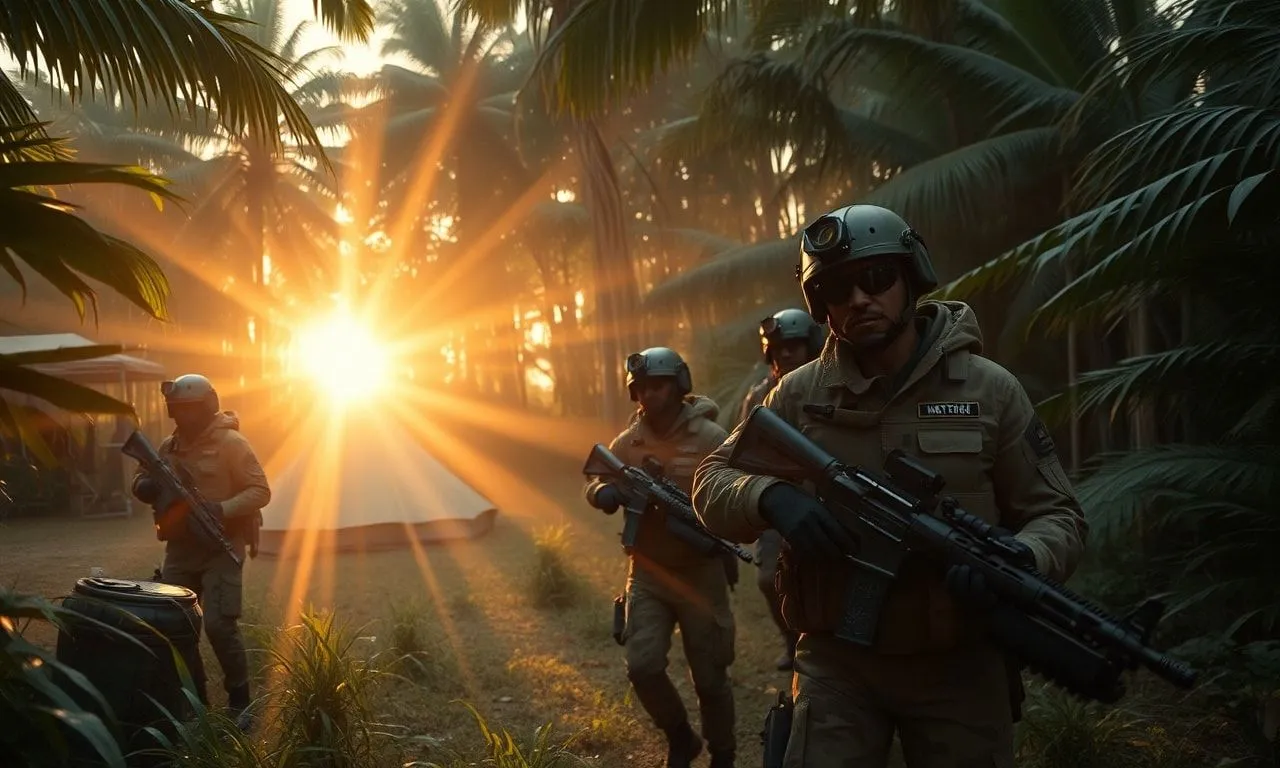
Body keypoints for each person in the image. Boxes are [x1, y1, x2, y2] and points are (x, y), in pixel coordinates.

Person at [692, 204, 1088, 768]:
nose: (858, 300)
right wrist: (770, 497)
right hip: (837, 664)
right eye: (835, 289)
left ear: (911, 278)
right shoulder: (800, 395)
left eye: (876, 279)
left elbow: (1060, 515)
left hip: (960, 664)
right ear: (821, 308)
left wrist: (1023, 558)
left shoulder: (990, 390)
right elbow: (710, 481)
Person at [584, 348, 737, 768]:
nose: (650, 395)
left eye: (659, 385)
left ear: (679, 385)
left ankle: (723, 753)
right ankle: (680, 737)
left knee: (710, 678)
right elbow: (597, 477)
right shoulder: (627, 442)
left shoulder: (708, 436)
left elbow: (731, 491)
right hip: (647, 573)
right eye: (642, 388)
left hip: (699, 574)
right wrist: (604, 493)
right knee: (643, 666)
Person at [131, 374, 270, 729]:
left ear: (207, 406)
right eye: (177, 410)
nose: (182, 418)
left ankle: (240, 700)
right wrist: (144, 485)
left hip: (221, 545)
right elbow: (140, 475)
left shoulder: (232, 444)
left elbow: (260, 490)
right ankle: (192, 697)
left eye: (190, 409)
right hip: (180, 547)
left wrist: (221, 508)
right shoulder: (167, 447)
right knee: (172, 624)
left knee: (219, 625)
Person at [739, 308, 825, 671]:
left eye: (794, 345)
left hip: (826, 498)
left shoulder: (829, 388)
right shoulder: (758, 397)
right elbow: (740, 451)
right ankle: (791, 641)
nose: (786, 353)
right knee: (767, 579)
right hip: (776, 498)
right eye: (779, 347)